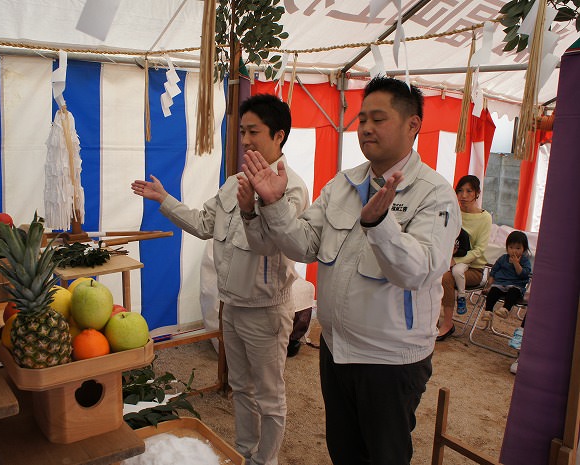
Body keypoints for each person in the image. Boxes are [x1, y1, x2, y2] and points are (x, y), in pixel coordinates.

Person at [238, 76, 460, 465]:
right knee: (344, 450)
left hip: (390, 360)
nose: (367, 128)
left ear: (413, 125)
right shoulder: (345, 183)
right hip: (337, 350)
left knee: (384, 454)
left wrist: (381, 226)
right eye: (361, 119)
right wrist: (271, 205)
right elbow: (304, 245)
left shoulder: (434, 194)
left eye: (379, 118)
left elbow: (419, 271)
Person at [131, 93, 309, 465]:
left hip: (265, 310)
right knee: (241, 388)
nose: (244, 140)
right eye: (241, 131)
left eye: (253, 131)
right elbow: (202, 224)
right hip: (232, 306)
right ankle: (244, 454)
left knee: (270, 395)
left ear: (278, 135)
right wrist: (164, 199)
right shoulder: (234, 183)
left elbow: (278, 242)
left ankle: (267, 460)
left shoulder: (290, 188)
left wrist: (256, 208)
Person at [436, 175, 492, 341]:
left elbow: (480, 250)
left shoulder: (485, 218)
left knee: (446, 277)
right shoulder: (452, 213)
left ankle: (447, 324)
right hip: (447, 261)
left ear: (477, 193)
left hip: (474, 269)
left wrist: (456, 261)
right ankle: (428, 320)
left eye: (469, 191)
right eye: (460, 190)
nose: (463, 195)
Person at [481, 230, 532, 322]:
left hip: (516, 286)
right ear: (507, 247)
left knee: (513, 292)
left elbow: (524, 274)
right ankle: (488, 311)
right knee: (493, 292)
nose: (514, 251)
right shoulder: (503, 258)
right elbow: (493, 271)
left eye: (518, 248)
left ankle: (505, 309)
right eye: (511, 247)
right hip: (500, 284)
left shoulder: (524, 261)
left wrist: (516, 264)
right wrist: (489, 285)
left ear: (524, 249)